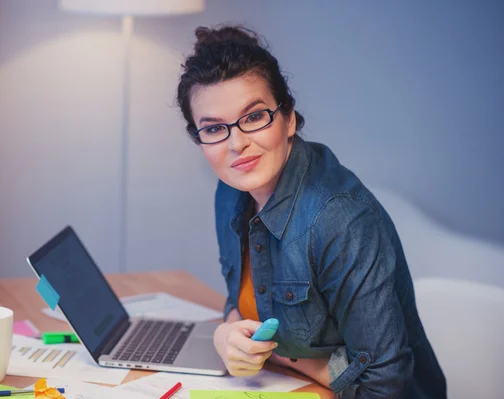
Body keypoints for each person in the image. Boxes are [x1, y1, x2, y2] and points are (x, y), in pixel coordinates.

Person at [176, 25, 447, 398]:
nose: (236, 144)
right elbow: (248, 300)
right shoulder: (230, 190)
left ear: (289, 119)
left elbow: (385, 388)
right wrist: (227, 331)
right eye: (215, 128)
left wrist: (292, 362)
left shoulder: (339, 220)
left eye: (254, 117)